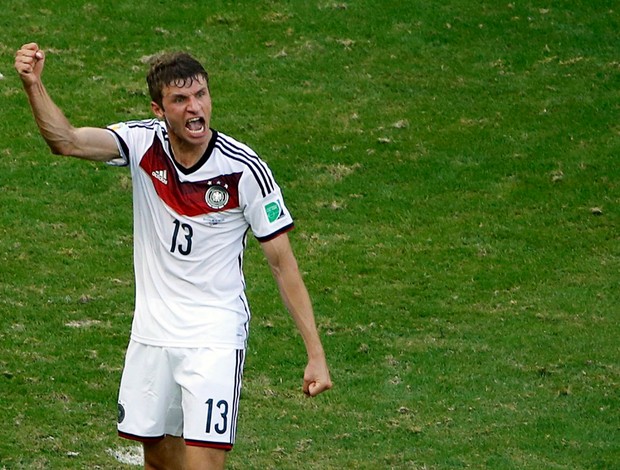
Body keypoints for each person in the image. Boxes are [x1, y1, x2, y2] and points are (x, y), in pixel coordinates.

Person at [15, 42, 332, 470]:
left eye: (200, 94)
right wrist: (33, 84)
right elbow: (66, 141)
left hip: (214, 337)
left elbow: (282, 263)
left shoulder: (243, 170)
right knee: (160, 462)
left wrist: (315, 353)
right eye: (180, 99)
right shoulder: (142, 143)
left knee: (203, 465)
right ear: (159, 110)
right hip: (153, 335)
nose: (194, 107)